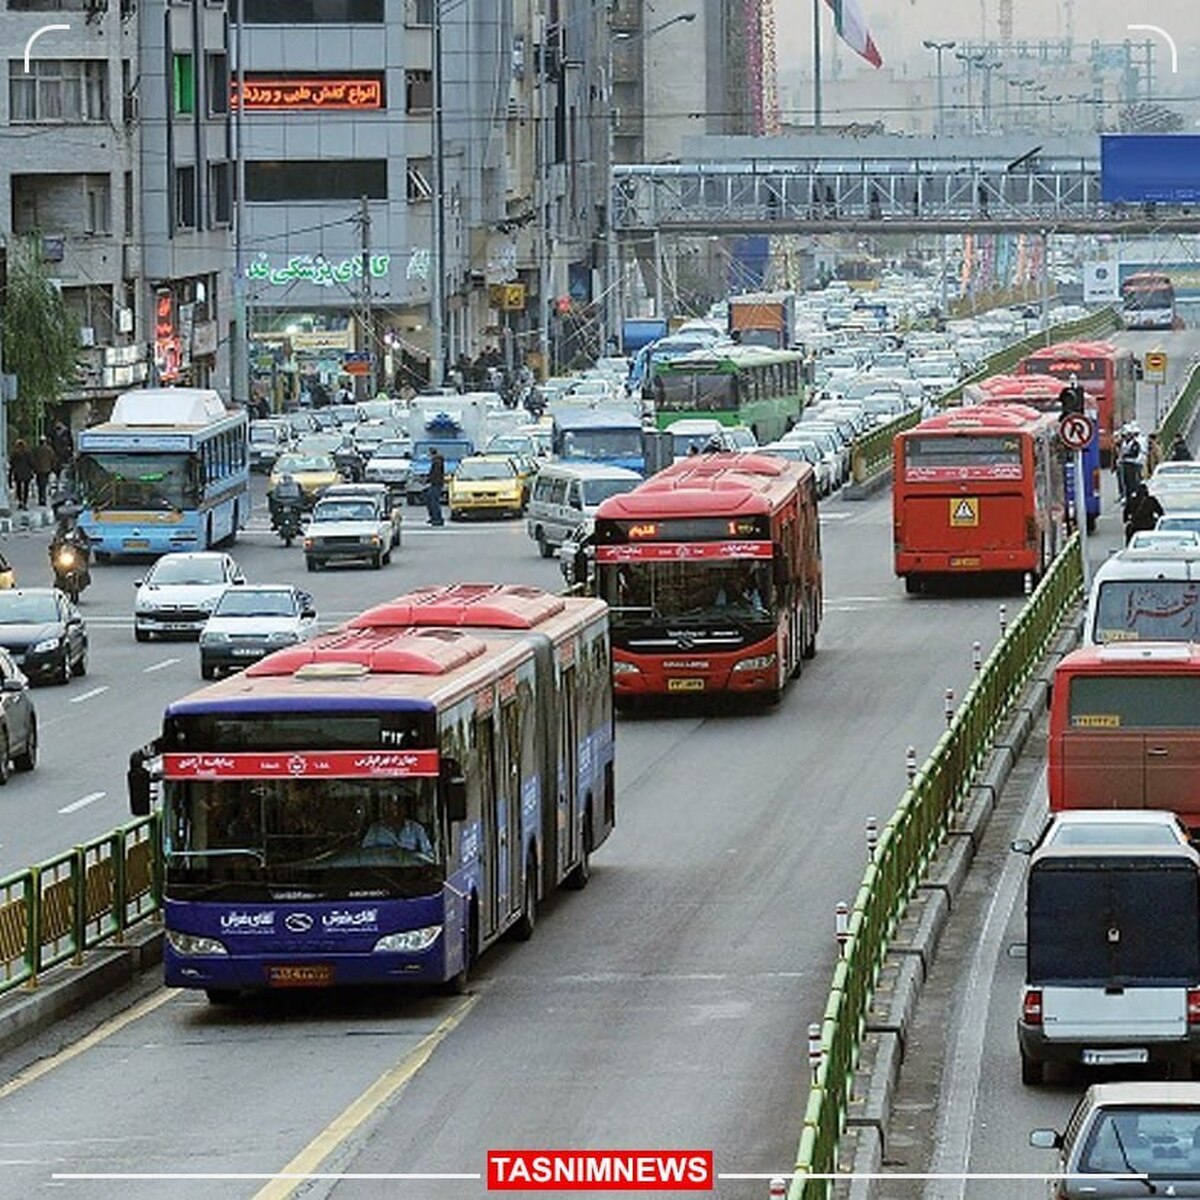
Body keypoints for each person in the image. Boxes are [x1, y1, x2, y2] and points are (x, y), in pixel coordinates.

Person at [362, 804, 434, 858]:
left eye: (398, 809)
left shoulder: (417, 828)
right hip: (380, 872)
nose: (394, 812)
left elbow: (428, 853)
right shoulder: (375, 829)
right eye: (391, 809)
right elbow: (365, 853)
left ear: (403, 810)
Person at [8, 438, 34, 510]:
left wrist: (12, 472)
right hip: (26, 472)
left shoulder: (14, 453)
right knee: (26, 488)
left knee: (18, 487)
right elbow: (31, 462)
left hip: (18, 472)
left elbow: (11, 463)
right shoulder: (28, 453)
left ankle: (20, 502)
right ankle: (25, 502)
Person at [33, 437, 56, 507]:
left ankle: (41, 499)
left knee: (40, 485)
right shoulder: (49, 449)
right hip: (47, 469)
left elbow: (33, 459)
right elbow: (53, 458)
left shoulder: (36, 449)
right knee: (45, 484)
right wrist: (52, 467)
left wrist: (34, 468)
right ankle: (44, 499)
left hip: (38, 470)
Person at [425, 447, 445, 526]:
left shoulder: (436, 461)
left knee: (434, 502)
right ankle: (435, 517)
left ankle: (436, 519)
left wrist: (428, 479)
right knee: (431, 500)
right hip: (436, 483)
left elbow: (435, 474)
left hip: (436, 484)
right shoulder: (437, 460)